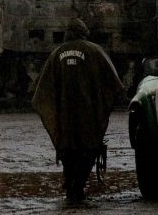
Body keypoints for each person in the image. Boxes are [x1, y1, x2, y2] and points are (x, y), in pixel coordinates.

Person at [32, 19, 123, 204]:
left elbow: (43, 90)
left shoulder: (56, 54)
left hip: (64, 117)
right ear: (84, 32)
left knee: (67, 150)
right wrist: (104, 105)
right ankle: (78, 185)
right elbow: (114, 83)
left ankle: (70, 186)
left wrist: (54, 111)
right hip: (89, 115)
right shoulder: (95, 51)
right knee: (89, 148)